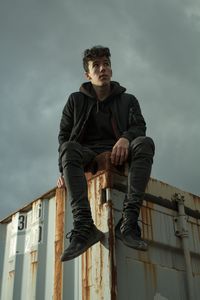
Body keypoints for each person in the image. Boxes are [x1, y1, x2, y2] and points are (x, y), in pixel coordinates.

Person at [57, 46, 155, 262]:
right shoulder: (75, 100)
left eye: (106, 64)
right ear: (88, 74)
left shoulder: (128, 100)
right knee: (67, 149)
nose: (103, 69)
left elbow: (139, 127)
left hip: (119, 154)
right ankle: (84, 227)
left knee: (145, 143)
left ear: (111, 69)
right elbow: (64, 137)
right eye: (96, 66)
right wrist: (63, 168)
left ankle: (128, 223)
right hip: (87, 155)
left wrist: (125, 138)